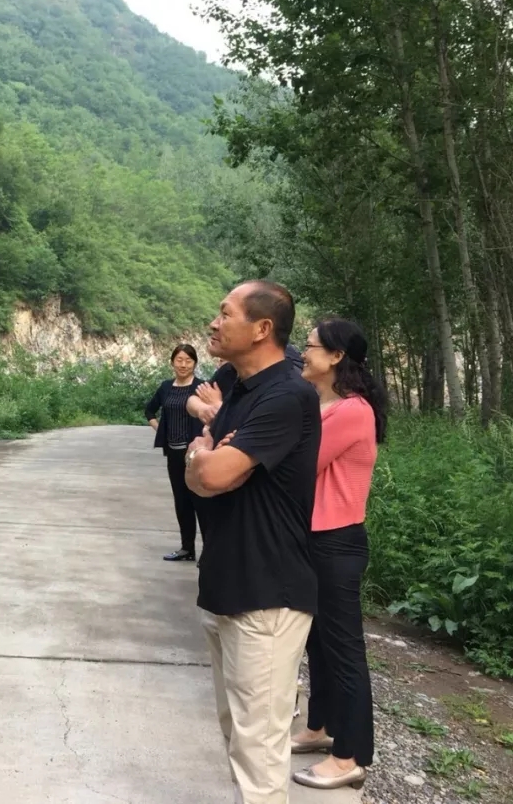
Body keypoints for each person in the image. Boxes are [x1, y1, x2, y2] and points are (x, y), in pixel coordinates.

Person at [185, 281, 321, 804]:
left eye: (226, 314)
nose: (214, 323)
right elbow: (204, 469)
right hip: (225, 582)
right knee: (236, 736)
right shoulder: (239, 389)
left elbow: (212, 473)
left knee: (259, 752)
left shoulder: (287, 395)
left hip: (267, 594)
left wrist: (207, 461)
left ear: (262, 328)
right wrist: (205, 456)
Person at [290, 319, 385, 791]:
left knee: (344, 650)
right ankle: (320, 726)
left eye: (310, 346)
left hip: (336, 541)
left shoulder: (352, 410)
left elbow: (297, 465)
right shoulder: (323, 404)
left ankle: (350, 754)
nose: (302, 352)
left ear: (335, 357)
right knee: (318, 644)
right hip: (315, 538)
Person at [144, 344, 206, 562]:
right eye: (179, 360)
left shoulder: (202, 388)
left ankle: (210, 552)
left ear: (195, 363)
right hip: (173, 453)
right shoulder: (165, 387)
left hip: (196, 455)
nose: (183, 365)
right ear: (172, 362)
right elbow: (149, 410)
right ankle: (187, 549)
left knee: (201, 501)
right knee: (181, 501)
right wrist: (160, 429)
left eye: (188, 360)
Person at [187, 343, 305, 426]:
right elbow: (192, 400)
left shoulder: (283, 381)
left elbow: (256, 424)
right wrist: (202, 409)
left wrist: (219, 406)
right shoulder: (228, 370)